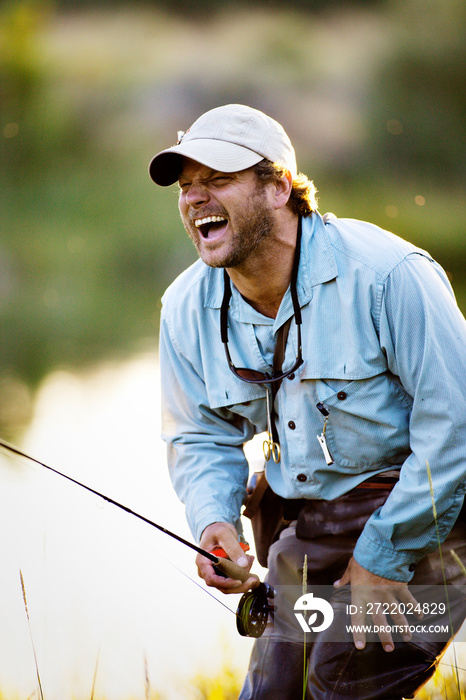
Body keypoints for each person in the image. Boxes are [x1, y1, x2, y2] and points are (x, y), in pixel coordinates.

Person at [149, 104, 466, 699]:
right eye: (187, 187)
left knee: (340, 683)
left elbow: (457, 429)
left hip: (437, 524)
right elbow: (198, 434)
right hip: (313, 526)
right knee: (271, 695)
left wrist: (383, 556)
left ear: (278, 188)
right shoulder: (184, 307)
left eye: (216, 180)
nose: (194, 199)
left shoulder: (389, 275)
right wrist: (216, 519)